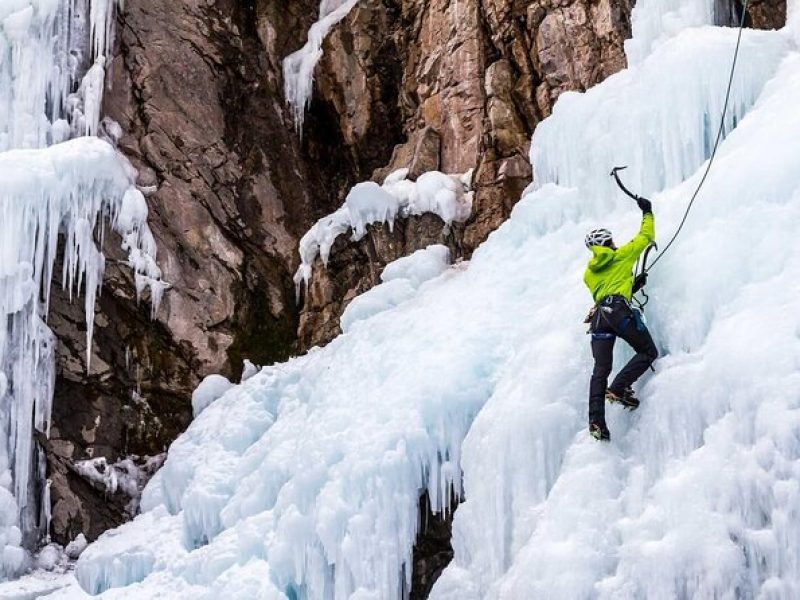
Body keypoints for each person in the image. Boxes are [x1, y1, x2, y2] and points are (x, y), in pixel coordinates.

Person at [583, 197, 658, 441]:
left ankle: (596, 422)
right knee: (647, 351)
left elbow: (607, 289)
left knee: (600, 370)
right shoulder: (621, 256)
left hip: (598, 320)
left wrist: (632, 286)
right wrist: (647, 212)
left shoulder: (588, 274)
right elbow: (645, 237)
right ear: (608, 242)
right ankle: (618, 387)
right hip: (617, 311)